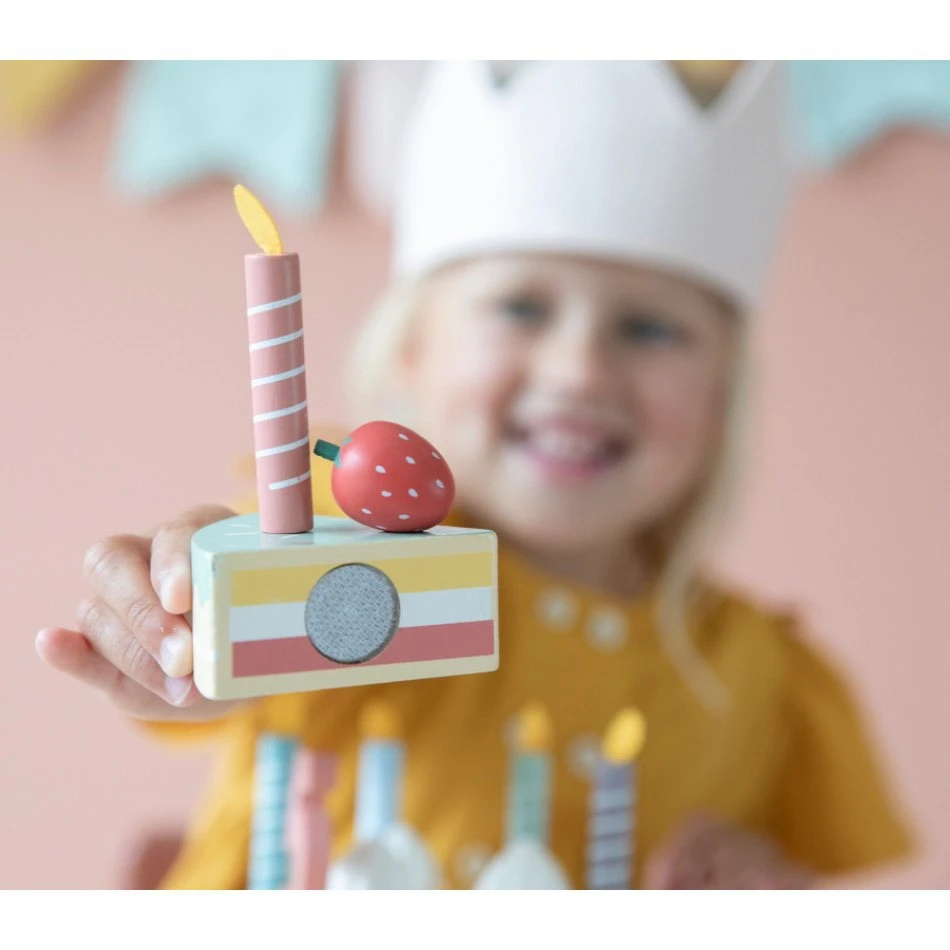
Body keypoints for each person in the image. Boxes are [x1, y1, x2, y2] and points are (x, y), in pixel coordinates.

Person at [35, 61, 912, 889]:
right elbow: (236, 656)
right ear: (412, 352)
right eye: (520, 307)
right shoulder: (334, 566)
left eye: (651, 329)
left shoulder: (768, 684)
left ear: (722, 395)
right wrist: (184, 631)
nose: (580, 371)